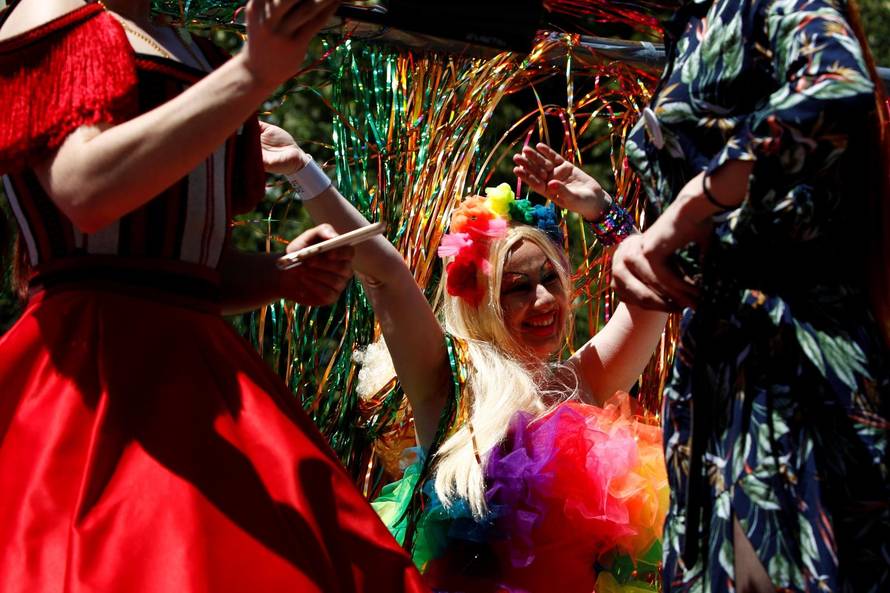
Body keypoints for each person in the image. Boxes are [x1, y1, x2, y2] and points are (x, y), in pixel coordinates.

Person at [0, 0, 428, 591]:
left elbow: (189, 266)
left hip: (202, 376)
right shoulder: (55, 13)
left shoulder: (192, 50)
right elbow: (84, 189)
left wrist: (280, 275)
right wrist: (252, 72)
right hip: (96, 380)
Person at [258, 119, 672, 592]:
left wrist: (601, 210)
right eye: (518, 288)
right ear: (478, 301)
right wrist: (303, 171)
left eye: (549, 279)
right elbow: (384, 271)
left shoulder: (581, 382)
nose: (543, 300)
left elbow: (652, 290)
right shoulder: (449, 382)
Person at [611, 0, 890, 591]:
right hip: (718, 371)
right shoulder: (688, 20)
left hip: (785, 365)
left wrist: (692, 205)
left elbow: (837, 83)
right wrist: (641, 243)